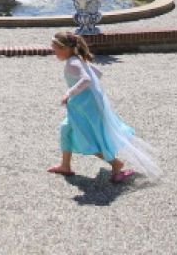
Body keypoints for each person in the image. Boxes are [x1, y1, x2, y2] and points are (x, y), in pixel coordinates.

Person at [48, 31, 159, 184]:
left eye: (55, 49)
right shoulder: (77, 59)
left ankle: (115, 164)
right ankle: (65, 165)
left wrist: (69, 93)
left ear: (65, 48)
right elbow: (98, 74)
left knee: (87, 138)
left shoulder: (72, 63)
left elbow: (86, 79)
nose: (53, 52)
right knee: (65, 128)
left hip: (83, 107)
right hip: (83, 105)